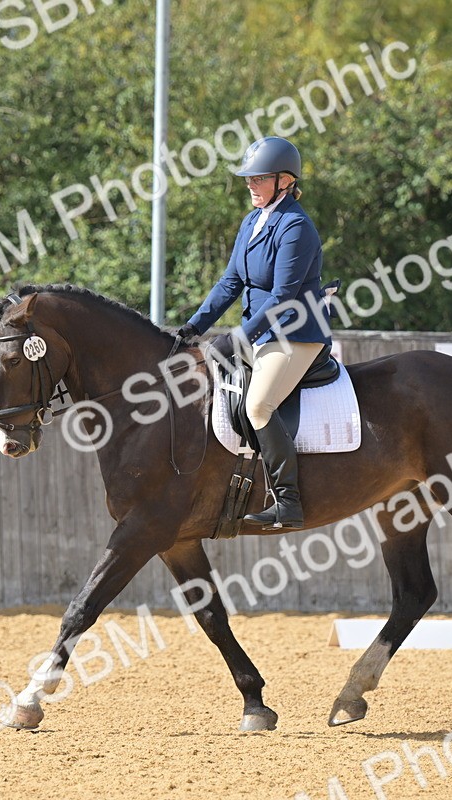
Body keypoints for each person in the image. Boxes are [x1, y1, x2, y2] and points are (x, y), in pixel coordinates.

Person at [176, 136, 332, 530]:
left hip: (295, 334)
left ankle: (288, 502)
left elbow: (282, 296)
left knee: (258, 405)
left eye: (258, 179)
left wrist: (238, 337)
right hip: (262, 333)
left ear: (284, 181)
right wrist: (196, 326)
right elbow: (230, 282)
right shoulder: (252, 221)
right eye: (248, 178)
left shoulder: (296, 226)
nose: (250, 185)